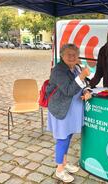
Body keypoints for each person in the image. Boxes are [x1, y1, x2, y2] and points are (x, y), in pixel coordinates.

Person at [46, 43, 91, 183]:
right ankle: (59, 170)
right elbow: (68, 90)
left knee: (68, 136)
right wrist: (82, 75)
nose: (72, 57)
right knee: (62, 138)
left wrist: (86, 91)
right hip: (61, 109)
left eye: (75, 54)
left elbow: (83, 84)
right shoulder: (58, 70)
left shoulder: (76, 68)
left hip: (73, 110)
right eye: (68, 54)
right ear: (62, 55)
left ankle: (64, 162)